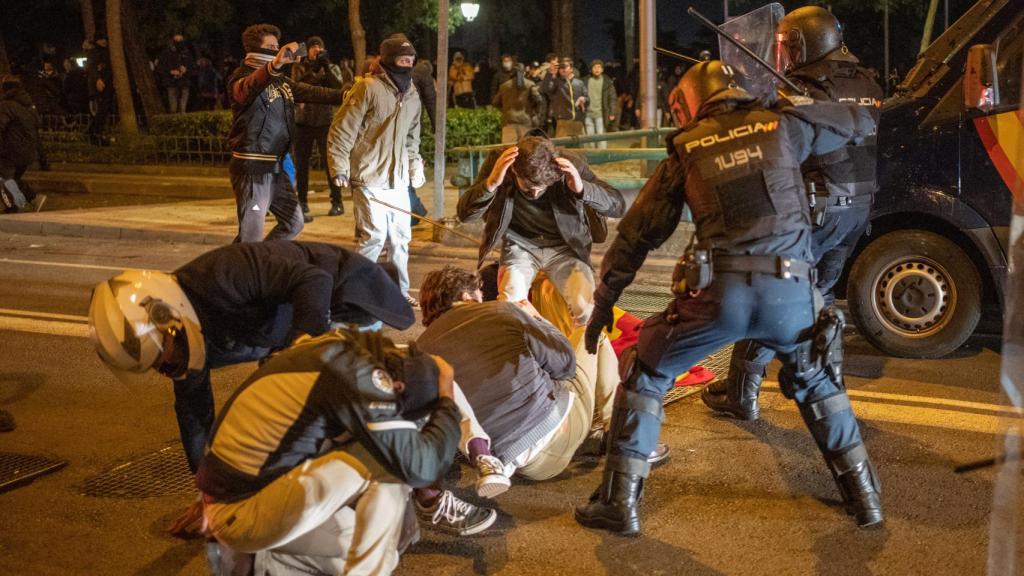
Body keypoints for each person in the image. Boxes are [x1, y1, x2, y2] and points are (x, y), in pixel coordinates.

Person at [574, 61, 883, 536]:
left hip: (720, 297)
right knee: (820, 384)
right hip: (792, 295)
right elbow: (857, 121)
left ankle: (620, 503)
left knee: (646, 372)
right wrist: (791, 102)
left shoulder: (688, 146)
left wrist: (604, 303)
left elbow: (637, 234)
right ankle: (865, 499)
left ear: (688, 104)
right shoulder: (783, 124)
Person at [87, 241, 415, 476]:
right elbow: (194, 410)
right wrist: (207, 488)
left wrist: (299, 346)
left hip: (341, 301)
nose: (167, 369)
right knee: (276, 411)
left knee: (338, 405)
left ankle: (418, 478)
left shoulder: (224, 273)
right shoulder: (181, 339)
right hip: (280, 336)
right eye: (159, 368)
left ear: (168, 316)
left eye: (162, 359)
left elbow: (315, 280)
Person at [701, 6, 884, 422]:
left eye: (784, 46)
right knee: (820, 301)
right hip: (857, 212)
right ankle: (830, 390)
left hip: (814, 212)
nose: (780, 55)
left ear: (802, 44)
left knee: (768, 297)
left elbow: (767, 138)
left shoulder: (799, 87)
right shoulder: (867, 82)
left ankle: (741, 395)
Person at [198, 328, 461, 575]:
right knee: (390, 464)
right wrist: (447, 401)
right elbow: (421, 466)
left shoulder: (346, 352)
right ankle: (254, 558)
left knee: (382, 553)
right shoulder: (356, 372)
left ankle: (264, 562)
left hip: (245, 501)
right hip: (241, 511)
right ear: (398, 387)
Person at [417, 266, 668, 495]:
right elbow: (565, 365)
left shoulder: (421, 349)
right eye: (480, 295)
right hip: (553, 439)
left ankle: (597, 435)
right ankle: (624, 438)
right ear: (466, 297)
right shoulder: (501, 311)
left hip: (502, 457)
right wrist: (536, 318)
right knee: (592, 335)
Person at [457, 134, 624, 326]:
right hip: (520, 245)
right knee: (510, 306)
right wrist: (491, 184)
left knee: (586, 309)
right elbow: (465, 215)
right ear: (514, 171)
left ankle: (573, 354)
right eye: (528, 189)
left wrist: (581, 188)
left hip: (565, 248)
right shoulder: (500, 161)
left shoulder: (567, 163)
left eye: (542, 188)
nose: (535, 193)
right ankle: (523, 353)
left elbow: (617, 205)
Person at [328, 34, 424, 308]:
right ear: (388, 59)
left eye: (411, 59)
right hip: (369, 177)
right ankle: (355, 292)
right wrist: (339, 167)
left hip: (398, 180)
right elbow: (342, 128)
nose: (407, 63)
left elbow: (412, 137)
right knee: (374, 236)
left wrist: (414, 165)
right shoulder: (367, 88)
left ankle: (398, 290)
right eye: (402, 58)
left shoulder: (412, 92)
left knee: (402, 239)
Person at [226, 24, 344, 243]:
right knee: (251, 236)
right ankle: (244, 269)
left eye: (277, 46)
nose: (277, 50)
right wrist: (276, 63)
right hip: (252, 167)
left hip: (276, 166)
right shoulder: (241, 76)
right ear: (255, 49)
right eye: (271, 47)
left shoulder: (280, 81)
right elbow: (247, 89)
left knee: (294, 222)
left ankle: (258, 260)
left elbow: (311, 91)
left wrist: (348, 95)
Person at [291, 36, 345, 221]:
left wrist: (326, 66)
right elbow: (298, 87)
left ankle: (337, 201)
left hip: (325, 121)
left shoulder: (331, 66)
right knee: (302, 165)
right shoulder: (299, 67)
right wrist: (314, 69)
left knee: (331, 163)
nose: (316, 50)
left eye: (319, 47)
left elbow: (338, 87)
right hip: (303, 121)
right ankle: (302, 201)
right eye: (313, 47)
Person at [0, 75, 44, 211]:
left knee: (4, 180)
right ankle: (33, 198)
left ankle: (12, 207)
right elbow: (37, 126)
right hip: (27, 151)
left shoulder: (6, 105)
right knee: (13, 178)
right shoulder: (30, 106)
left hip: (9, 151)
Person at [491, 63, 543, 143]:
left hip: (508, 121)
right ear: (524, 72)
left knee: (509, 149)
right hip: (525, 121)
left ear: (512, 72)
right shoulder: (530, 84)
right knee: (525, 149)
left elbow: (495, 102)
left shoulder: (504, 86)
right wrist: (535, 113)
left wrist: (504, 110)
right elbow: (539, 100)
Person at [541, 57, 588, 138]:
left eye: (565, 67)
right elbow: (544, 89)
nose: (562, 69)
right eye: (560, 67)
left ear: (571, 69)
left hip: (578, 122)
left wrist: (584, 99)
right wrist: (549, 73)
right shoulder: (556, 82)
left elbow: (587, 98)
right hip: (562, 122)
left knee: (579, 149)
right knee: (562, 149)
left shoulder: (579, 83)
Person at [583, 59, 617, 148]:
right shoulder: (585, 81)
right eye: (594, 67)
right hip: (587, 114)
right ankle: (592, 157)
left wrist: (612, 112)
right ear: (591, 69)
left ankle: (602, 156)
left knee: (601, 136)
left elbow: (612, 98)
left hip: (601, 114)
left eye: (599, 67)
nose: (597, 69)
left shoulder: (607, 82)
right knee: (589, 137)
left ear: (602, 69)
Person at [157, 34, 193, 113]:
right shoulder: (166, 53)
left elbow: (192, 67)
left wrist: (186, 69)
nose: (179, 43)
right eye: (177, 40)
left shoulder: (187, 53)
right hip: (171, 82)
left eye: (181, 40)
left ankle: (182, 118)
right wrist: (170, 71)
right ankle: (174, 119)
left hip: (184, 82)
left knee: (183, 105)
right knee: (173, 104)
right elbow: (160, 68)